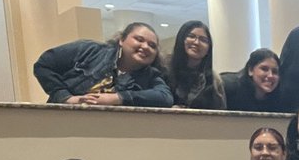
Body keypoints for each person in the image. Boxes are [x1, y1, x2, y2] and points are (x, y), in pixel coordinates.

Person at [34, 22, 171, 107]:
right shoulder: (88, 50)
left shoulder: (151, 76)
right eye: (139, 39)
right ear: (122, 40)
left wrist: (118, 98)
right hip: (61, 123)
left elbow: (165, 97)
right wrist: (66, 97)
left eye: (152, 46)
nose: (145, 47)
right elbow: (44, 65)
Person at [164, 20, 226, 109]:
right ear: (181, 39)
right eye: (191, 36)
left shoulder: (214, 80)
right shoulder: (164, 69)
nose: (196, 42)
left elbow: (221, 114)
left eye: (203, 40)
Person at [223, 48, 286, 113]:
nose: (270, 75)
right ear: (250, 70)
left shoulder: (280, 99)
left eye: (275, 71)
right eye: (264, 69)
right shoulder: (228, 88)